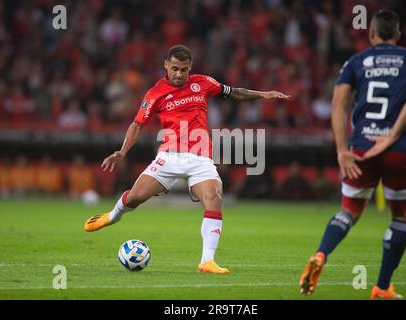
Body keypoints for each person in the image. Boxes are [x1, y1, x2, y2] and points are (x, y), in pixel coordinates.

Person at [84, 44, 290, 274]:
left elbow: (235, 93)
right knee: (135, 197)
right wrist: (121, 152)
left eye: (183, 69)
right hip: (170, 156)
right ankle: (112, 216)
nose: (179, 74)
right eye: (174, 69)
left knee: (214, 197)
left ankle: (207, 261)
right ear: (166, 65)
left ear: (190, 67)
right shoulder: (155, 93)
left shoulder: (202, 83)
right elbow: (137, 125)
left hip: (201, 158)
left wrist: (264, 94)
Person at [299, 10, 406, 299]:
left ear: (371, 33)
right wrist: (393, 136)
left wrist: (342, 150)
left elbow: (337, 105)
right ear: (397, 34)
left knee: (349, 211)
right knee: (400, 217)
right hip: (399, 148)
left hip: (360, 147)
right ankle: (382, 286)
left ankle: (321, 254)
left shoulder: (356, 62)